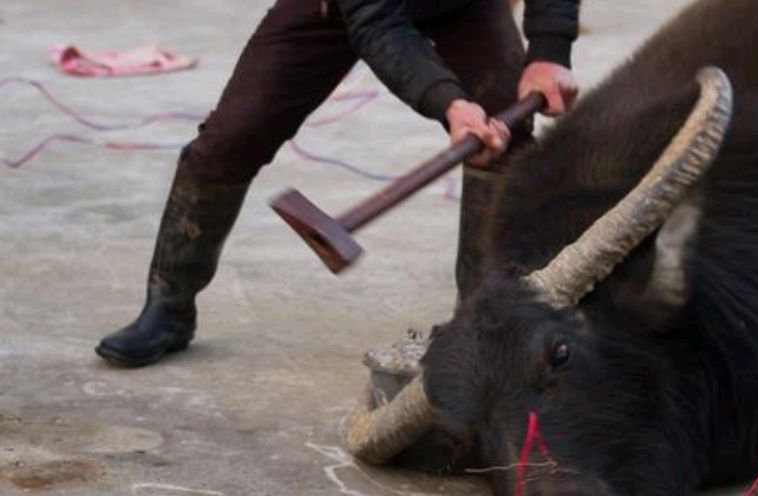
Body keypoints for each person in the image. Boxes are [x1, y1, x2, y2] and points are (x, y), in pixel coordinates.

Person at [95, 0, 581, 368]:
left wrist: (550, 51)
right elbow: (376, 22)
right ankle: (169, 305)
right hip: (338, 8)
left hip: (463, 6)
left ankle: (482, 330)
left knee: (504, 137)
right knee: (231, 138)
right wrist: (448, 102)